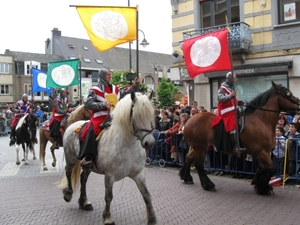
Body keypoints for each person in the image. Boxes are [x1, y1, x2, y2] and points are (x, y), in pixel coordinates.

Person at [78, 67, 140, 168]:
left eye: (110, 75)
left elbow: (124, 95)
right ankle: (88, 156)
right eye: (108, 75)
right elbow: (89, 104)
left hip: (113, 116)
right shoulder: (95, 89)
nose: (110, 77)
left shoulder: (114, 89)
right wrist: (103, 105)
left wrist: (135, 85)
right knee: (91, 130)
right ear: (102, 75)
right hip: (99, 117)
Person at [211, 72, 241, 152]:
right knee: (232, 122)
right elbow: (221, 98)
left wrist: (239, 102)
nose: (236, 81)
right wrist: (231, 95)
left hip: (233, 110)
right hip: (226, 111)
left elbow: (232, 99)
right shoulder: (222, 88)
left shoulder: (231, 88)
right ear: (230, 79)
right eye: (234, 79)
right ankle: (235, 145)